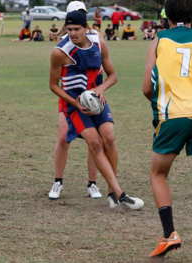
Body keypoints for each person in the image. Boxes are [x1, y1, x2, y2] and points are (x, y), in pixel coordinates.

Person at [142, 0, 192, 258]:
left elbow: (147, 88)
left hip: (172, 116)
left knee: (158, 174)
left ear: (166, 16)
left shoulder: (158, 41)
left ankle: (169, 233)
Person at [50, 10, 144, 210]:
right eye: (69, 29)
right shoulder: (60, 51)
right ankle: (120, 194)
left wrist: (99, 89)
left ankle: (111, 194)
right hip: (75, 106)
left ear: (86, 28)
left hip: (97, 101)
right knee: (94, 142)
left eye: (77, 29)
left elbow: (113, 75)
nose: (73, 33)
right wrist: (74, 102)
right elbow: (53, 85)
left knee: (109, 138)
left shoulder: (98, 43)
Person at [49, 1, 103, 200]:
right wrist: (74, 101)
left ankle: (92, 184)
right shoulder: (64, 44)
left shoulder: (96, 38)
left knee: (94, 141)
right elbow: (55, 80)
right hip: (70, 99)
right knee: (63, 138)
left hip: (92, 98)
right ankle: (58, 181)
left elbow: (103, 64)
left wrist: (97, 90)